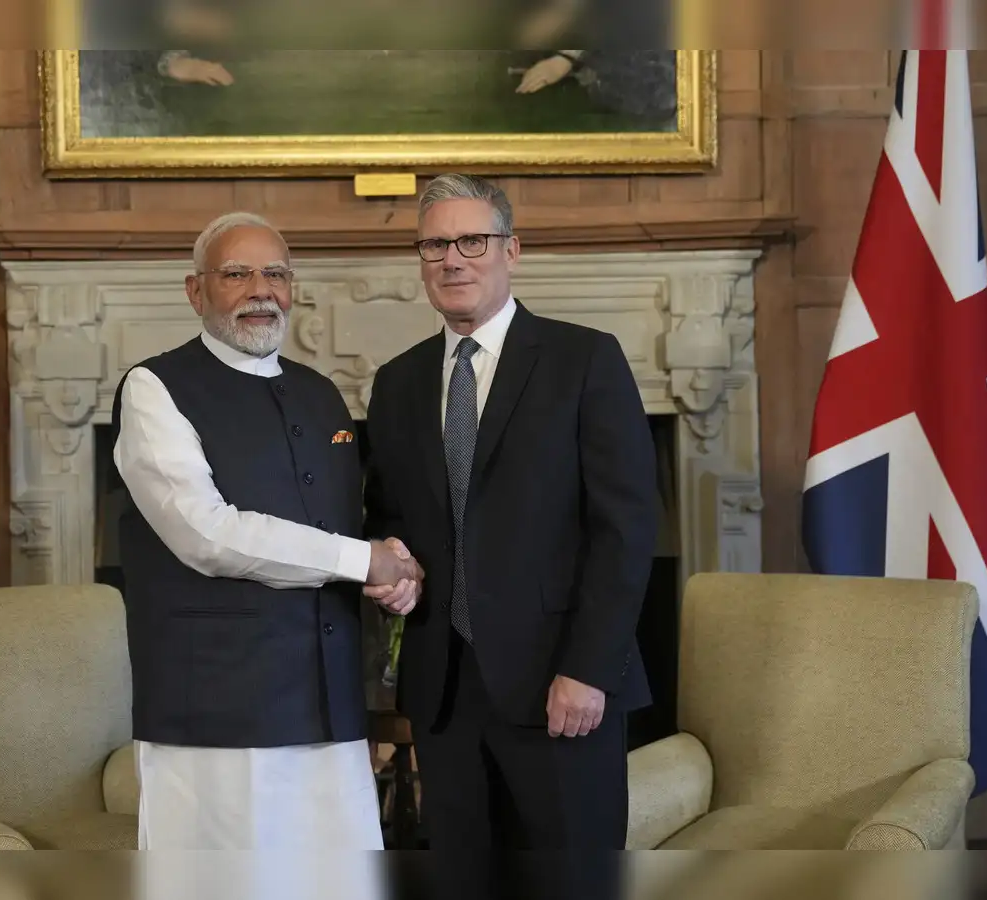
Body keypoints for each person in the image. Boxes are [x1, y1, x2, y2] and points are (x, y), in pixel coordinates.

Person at [363, 174, 658, 900]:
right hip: (446, 695)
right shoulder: (397, 382)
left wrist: (590, 668)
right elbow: (390, 517)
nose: (452, 260)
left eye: (472, 241)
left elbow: (625, 529)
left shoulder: (584, 360)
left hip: (562, 688)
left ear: (511, 250)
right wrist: (393, 565)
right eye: (435, 245)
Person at [110, 211, 422, 898]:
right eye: (237, 274)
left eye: (276, 273)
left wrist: (394, 569)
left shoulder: (321, 393)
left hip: (331, 701)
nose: (261, 289)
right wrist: (363, 560)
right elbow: (205, 533)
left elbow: (349, 526)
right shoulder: (153, 388)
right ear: (196, 290)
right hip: (217, 706)